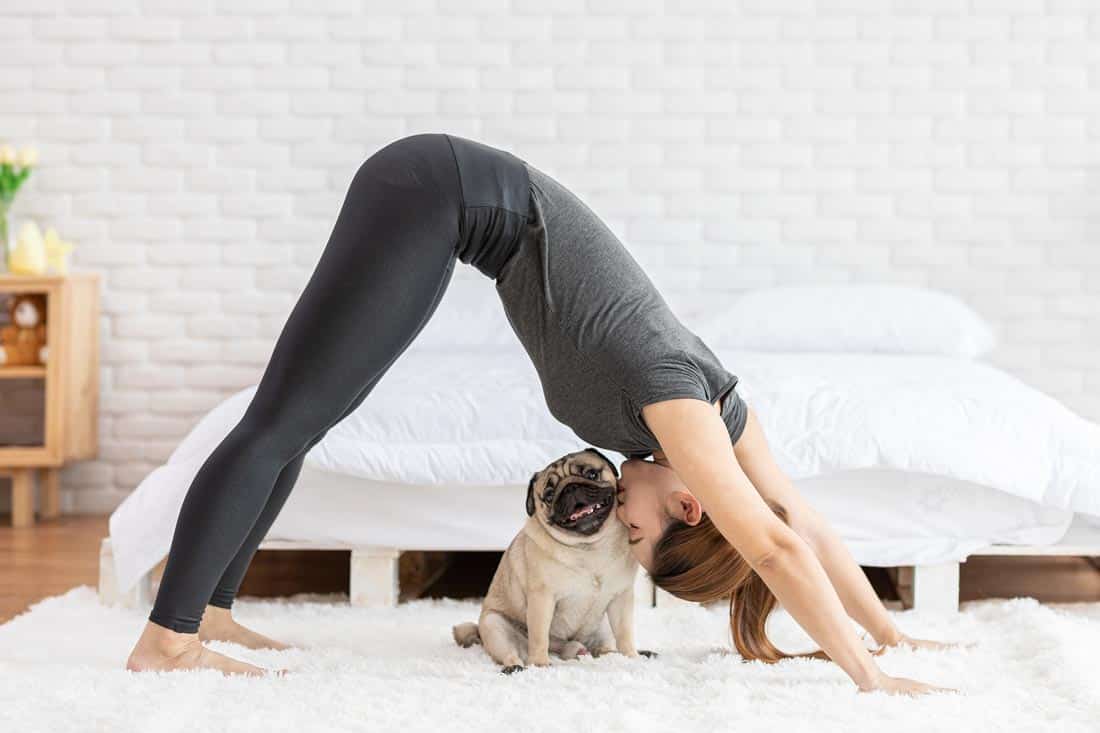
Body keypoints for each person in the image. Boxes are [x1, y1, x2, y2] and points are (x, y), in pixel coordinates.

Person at [126, 132, 956, 694]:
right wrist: (868, 677)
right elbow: (771, 545)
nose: (615, 526)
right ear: (686, 503)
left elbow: (799, 521)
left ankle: (214, 611)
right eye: (636, 532)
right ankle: (167, 641)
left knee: (301, 421)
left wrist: (889, 630)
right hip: (434, 191)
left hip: (446, 205)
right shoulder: (682, 408)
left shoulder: (729, 423)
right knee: (280, 420)